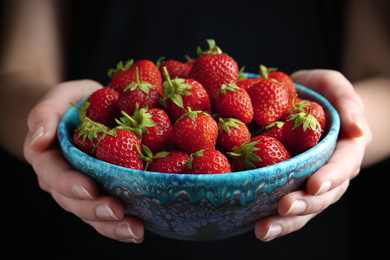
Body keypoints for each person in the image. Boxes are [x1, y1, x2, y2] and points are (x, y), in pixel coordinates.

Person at [0, 0, 388, 258]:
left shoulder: (263, 111)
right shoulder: (143, 117)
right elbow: (15, 76)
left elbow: (383, 78)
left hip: (304, 241)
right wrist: (49, 121)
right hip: (95, 231)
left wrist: (349, 118)